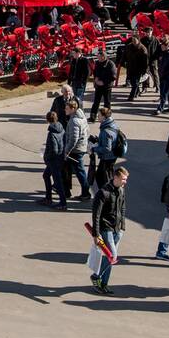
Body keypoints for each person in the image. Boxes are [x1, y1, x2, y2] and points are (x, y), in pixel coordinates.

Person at [90, 166, 129, 295]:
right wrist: (96, 234)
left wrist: (122, 226)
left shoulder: (121, 191)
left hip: (118, 229)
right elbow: (96, 214)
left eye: (126, 179)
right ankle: (96, 277)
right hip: (106, 228)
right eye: (123, 179)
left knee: (109, 258)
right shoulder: (103, 193)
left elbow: (122, 209)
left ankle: (103, 284)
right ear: (116, 177)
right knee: (112, 256)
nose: (125, 182)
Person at [64, 99, 91, 201]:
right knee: (78, 171)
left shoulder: (74, 121)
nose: (65, 110)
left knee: (80, 172)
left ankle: (85, 192)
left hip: (76, 150)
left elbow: (73, 139)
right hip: (81, 148)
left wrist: (67, 151)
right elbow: (87, 131)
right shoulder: (81, 117)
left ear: (73, 109)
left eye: (67, 108)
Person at [40, 111, 67, 211]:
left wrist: (46, 157)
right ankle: (48, 198)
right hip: (60, 159)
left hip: (53, 161)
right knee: (46, 175)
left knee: (58, 181)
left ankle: (63, 203)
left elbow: (54, 150)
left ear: (47, 120)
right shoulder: (61, 128)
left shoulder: (51, 134)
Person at [91, 107, 120, 191]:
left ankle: (106, 195)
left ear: (104, 117)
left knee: (101, 177)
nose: (97, 117)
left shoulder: (106, 131)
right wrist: (98, 140)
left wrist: (94, 149)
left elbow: (107, 148)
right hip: (112, 156)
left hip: (107, 157)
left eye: (99, 115)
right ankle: (108, 193)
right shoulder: (112, 124)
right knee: (107, 176)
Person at [89, 49, 115, 121]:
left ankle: (107, 117)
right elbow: (95, 72)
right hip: (98, 86)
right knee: (96, 102)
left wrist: (103, 82)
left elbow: (113, 76)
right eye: (97, 57)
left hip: (107, 86)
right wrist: (96, 79)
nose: (98, 58)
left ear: (103, 57)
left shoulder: (110, 64)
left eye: (99, 57)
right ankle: (92, 117)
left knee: (107, 102)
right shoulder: (97, 63)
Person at [126, 36, 149, 101]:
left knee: (135, 83)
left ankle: (131, 96)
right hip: (130, 67)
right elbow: (126, 55)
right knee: (133, 82)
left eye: (135, 40)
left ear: (138, 40)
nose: (133, 42)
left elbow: (145, 61)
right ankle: (137, 92)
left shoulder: (143, 49)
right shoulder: (129, 47)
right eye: (132, 40)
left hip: (139, 68)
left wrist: (145, 70)